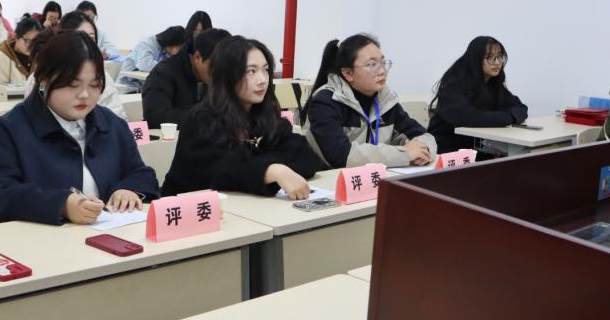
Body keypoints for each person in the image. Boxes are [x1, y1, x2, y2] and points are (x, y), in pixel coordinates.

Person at [0, 30, 159, 225]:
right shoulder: (8, 130)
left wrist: (129, 189)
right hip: (41, 239)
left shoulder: (112, 124)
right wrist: (60, 204)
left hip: (111, 235)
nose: (85, 95)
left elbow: (141, 173)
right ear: (44, 82)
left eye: (94, 84)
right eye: (72, 84)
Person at [161, 36, 322, 199]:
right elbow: (222, 170)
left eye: (266, 70)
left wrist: (271, 168)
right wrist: (271, 170)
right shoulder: (202, 120)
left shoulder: (264, 116)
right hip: (190, 209)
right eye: (251, 71)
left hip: (244, 207)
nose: (262, 80)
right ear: (228, 75)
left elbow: (306, 156)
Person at [302, 34, 436, 168]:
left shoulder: (385, 100)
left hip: (375, 176)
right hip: (330, 177)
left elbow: (422, 134)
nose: (382, 71)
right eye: (372, 64)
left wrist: (423, 150)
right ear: (348, 73)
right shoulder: (326, 102)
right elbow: (341, 155)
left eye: (383, 63)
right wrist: (404, 154)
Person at [427, 36, 528, 154]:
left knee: (521, 154)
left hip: (478, 147)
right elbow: (468, 117)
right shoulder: (454, 83)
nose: (497, 62)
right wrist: (509, 117)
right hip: (447, 148)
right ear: (476, 58)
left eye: (500, 57)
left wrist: (510, 117)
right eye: (490, 57)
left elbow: (520, 108)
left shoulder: (493, 82)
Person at [142, 27, 231, 129]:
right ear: (197, 57)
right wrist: (206, 118)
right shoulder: (163, 72)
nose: (221, 74)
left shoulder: (214, 77)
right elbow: (155, 116)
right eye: (216, 67)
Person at [55, 12, 127, 120]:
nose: (87, 44)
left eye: (92, 38)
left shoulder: (103, 76)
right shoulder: (48, 73)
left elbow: (117, 116)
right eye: (80, 37)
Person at [0, 16, 41, 84]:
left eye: (35, 42)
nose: (32, 46)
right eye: (27, 41)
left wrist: (41, 90)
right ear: (16, 37)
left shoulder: (40, 58)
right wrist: (8, 88)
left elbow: (43, 85)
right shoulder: (0, 57)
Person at [121, 25, 186, 75]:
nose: (178, 52)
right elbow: (144, 65)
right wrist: (171, 67)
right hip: (128, 85)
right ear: (170, 43)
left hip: (144, 84)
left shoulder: (165, 50)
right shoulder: (146, 44)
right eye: (178, 48)